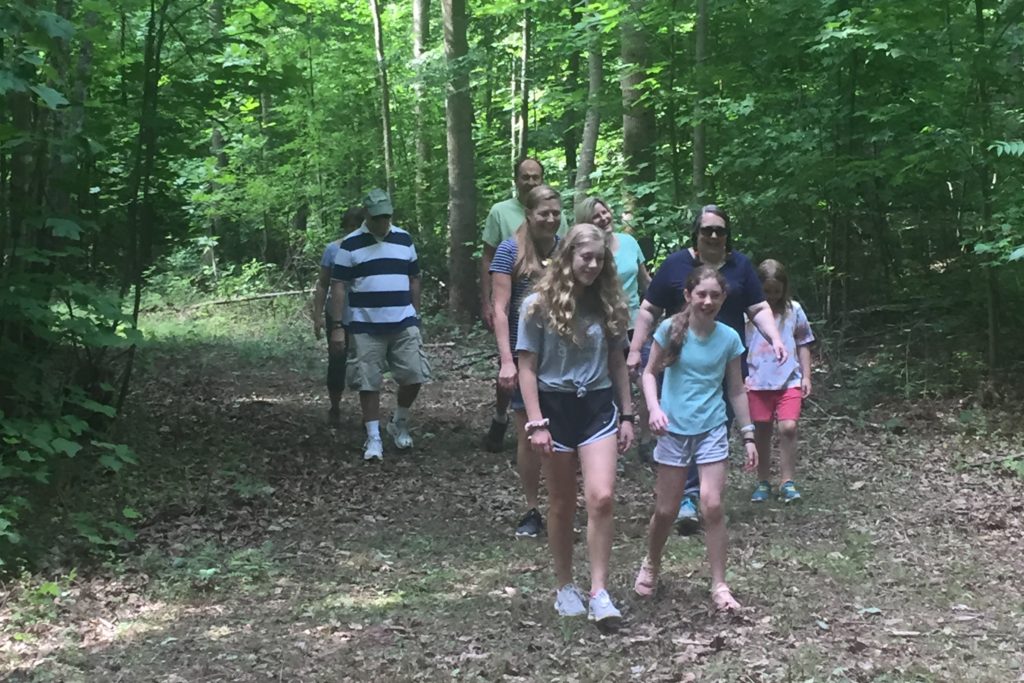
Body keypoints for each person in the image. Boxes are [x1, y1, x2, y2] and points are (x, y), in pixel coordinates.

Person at [625, 204, 786, 534]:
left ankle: (700, 494)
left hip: (726, 360)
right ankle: (682, 496)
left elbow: (758, 307)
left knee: (716, 424)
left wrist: (775, 338)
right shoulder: (675, 265)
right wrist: (634, 349)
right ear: (696, 234)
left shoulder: (740, 266)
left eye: (720, 230)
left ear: (728, 235)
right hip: (680, 361)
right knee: (680, 424)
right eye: (707, 230)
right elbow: (647, 309)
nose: (714, 235)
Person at [516, 224, 635, 630]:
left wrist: (628, 413)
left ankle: (600, 591)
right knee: (563, 503)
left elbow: (618, 361)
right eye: (585, 257)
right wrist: (536, 423)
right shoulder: (536, 305)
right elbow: (526, 366)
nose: (592, 265)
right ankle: (566, 585)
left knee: (601, 498)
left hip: (598, 406)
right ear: (568, 257)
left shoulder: (610, 304)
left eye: (599, 259)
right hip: (554, 409)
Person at [633, 266, 758, 611]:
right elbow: (648, 373)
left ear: (723, 299)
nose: (707, 301)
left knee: (712, 505)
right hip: (673, 429)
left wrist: (748, 435)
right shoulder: (669, 330)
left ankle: (719, 584)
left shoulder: (730, 338)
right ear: (688, 296)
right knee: (667, 509)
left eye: (715, 295)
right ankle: (651, 563)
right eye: (701, 294)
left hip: (712, 427)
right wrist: (654, 409)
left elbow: (735, 389)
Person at [328, 189, 431, 461]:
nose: (383, 222)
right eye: (377, 217)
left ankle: (399, 420)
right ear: (367, 216)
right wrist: (338, 325)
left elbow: (414, 277)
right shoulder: (350, 245)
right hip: (365, 323)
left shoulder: (404, 239)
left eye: (387, 217)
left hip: (403, 320)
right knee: (368, 381)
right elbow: (338, 286)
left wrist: (416, 313)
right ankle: (373, 437)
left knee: (415, 374)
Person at [480, 158, 569, 452]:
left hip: (556, 339)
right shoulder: (504, 223)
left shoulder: (560, 239)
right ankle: (504, 419)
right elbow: (489, 259)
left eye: (536, 177)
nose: (551, 218)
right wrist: (488, 303)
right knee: (517, 388)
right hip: (521, 333)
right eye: (525, 176)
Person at [490, 185, 562, 537]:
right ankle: (532, 508)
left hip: (564, 356)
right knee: (529, 434)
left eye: (555, 213)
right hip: (524, 356)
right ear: (529, 216)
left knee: (564, 433)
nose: (550, 219)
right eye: (543, 213)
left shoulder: (567, 250)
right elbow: (500, 309)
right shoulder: (509, 250)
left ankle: (561, 504)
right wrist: (507, 359)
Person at [575, 196, 653, 453]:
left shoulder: (629, 243)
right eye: (596, 215)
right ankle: (611, 434)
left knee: (644, 379)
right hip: (605, 322)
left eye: (605, 212)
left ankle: (645, 439)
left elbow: (645, 281)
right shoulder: (590, 252)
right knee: (612, 380)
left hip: (635, 322)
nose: (604, 218)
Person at [746, 259, 815, 504]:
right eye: (767, 291)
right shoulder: (750, 313)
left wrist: (806, 375)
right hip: (757, 382)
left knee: (788, 428)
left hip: (789, 380)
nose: (773, 296)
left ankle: (787, 481)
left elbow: (803, 342)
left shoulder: (793, 310)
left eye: (777, 291)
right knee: (762, 430)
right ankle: (763, 481)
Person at [313, 206, 365, 425]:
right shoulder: (332, 250)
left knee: (367, 364)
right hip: (337, 315)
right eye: (350, 226)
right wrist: (316, 315)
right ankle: (335, 407)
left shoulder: (371, 250)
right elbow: (323, 284)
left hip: (364, 316)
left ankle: (367, 415)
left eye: (357, 226)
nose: (353, 231)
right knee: (336, 363)